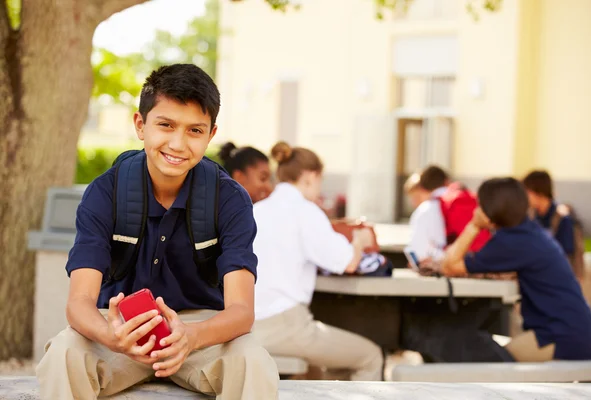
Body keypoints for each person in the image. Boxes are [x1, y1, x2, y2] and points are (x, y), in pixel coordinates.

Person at [36, 64, 279, 400]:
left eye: (195, 131)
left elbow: (242, 312)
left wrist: (191, 337)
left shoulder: (230, 198)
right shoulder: (106, 192)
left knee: (253, 360)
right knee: (63, 352)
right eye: (166, 125)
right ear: (141, 125)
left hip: (201, 332)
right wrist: (112, 336)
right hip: (120, 328)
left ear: (211, 134)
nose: (178, 143)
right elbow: (78, 303)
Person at [251, 141, 384, 381]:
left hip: (248, 325)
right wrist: (359, 240)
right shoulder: (305, 211)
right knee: (370, 357)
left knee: (324, 367)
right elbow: (348, 263)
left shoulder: (256, 210)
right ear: (310, 176)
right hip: (285, 324)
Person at [437, 177, 591, 361]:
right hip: (577, 333)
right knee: (491, 352)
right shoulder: (529, 232)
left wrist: (474, 225)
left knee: (488, 361)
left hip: (561, 338)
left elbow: (449, 266)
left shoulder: (513, 240)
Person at [522, 170, 585, 280]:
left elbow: (566, 252)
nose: (525, 197)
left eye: (527, 192)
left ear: (538, 192)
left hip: (558, 278)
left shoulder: (562, 218)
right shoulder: (532, 216)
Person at [404, 166, 449, 262]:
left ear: (423, 189)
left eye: (416, 197)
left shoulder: (425, 209)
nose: (413, 203)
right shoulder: (456, 203)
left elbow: (419, 251)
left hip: (438, 264)